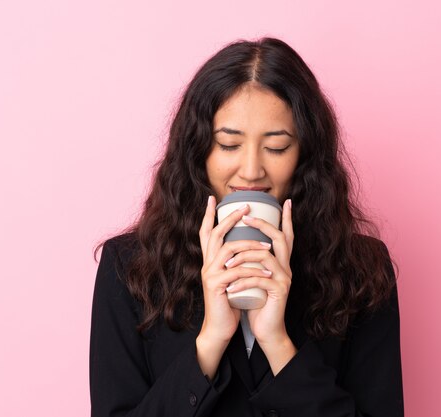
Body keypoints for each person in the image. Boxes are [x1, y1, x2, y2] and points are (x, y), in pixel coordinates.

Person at [89, 37, 404, 417]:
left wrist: (277, 343)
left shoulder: (360, 270)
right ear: (198, 151)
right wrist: (210, 341)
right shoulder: (130, 268)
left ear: (304, 155)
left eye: (276, 147)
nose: (252, 171)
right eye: (228, 145)